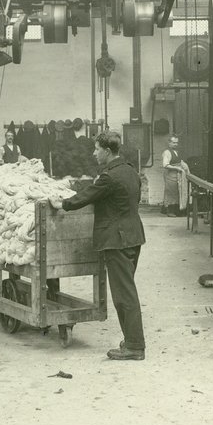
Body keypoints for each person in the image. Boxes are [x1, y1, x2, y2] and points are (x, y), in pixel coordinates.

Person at [48, 130, 147, 360]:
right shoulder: (131, 171)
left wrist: (61, 203)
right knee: (127, 290)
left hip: (117, 240)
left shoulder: (109, 177)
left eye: (96, 149)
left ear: (107, 151)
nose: (94, 153)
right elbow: (135, 199)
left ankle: (134, 346)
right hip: (133, 236)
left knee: (124, 295)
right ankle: (133, 341)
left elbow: (85, 196)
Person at [160, 135, 189, 217]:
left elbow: (179, 161)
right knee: (171, 192)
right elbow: (165, 165)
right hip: (170, 174)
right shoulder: (167, 152)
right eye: (173, 143)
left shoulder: (177, 152)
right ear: (169, 143)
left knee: (177, 191)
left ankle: (178, 211)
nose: (175, 144)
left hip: (177, 174)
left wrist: (183, 166)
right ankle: (170, 211)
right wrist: (177, 168)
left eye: (177, 143)